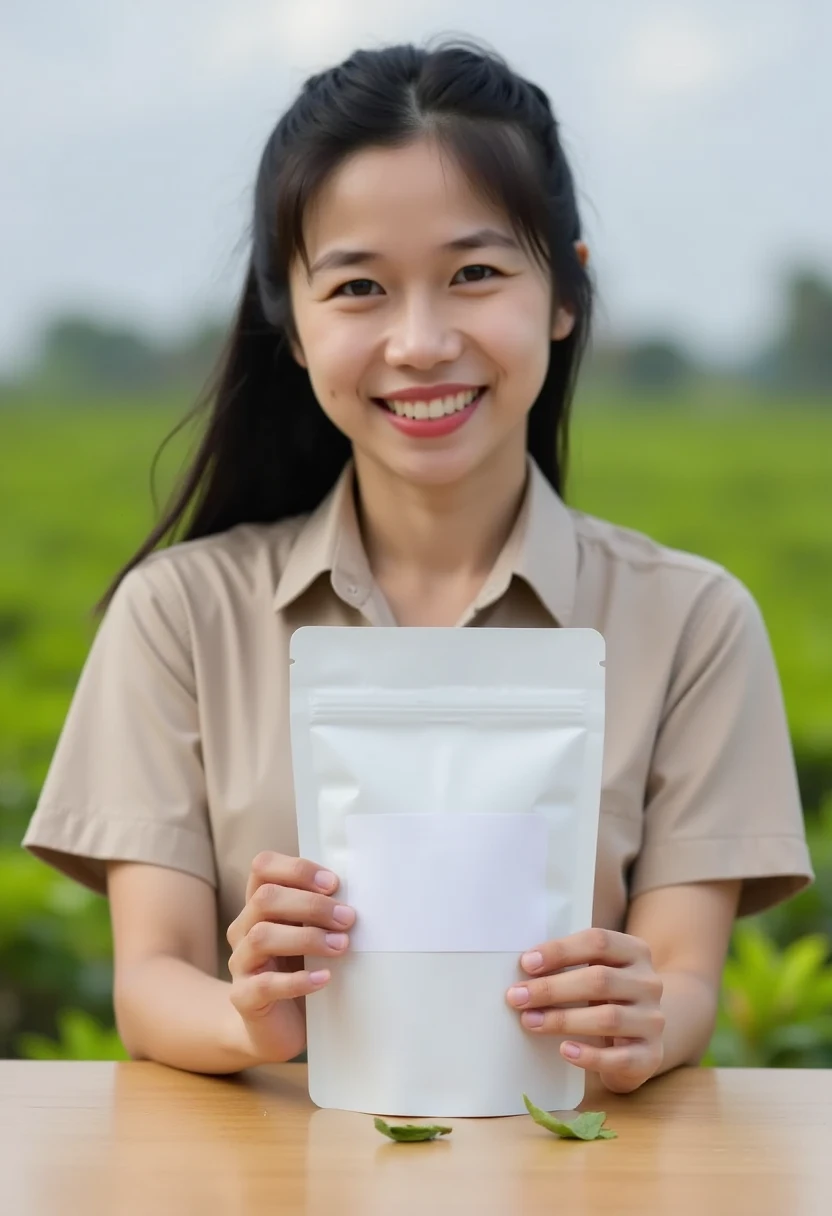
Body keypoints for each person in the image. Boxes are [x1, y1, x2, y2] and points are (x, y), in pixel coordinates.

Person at [23, 38, 813, 1096]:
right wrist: (248, 1015)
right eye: (358, 287)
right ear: (292, 326)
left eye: (474, 273)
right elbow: (151, 979)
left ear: (565, 294)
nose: (420, 340)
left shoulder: (692, 622)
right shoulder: (180, 615)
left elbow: (683, 981)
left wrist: (643, 1017)